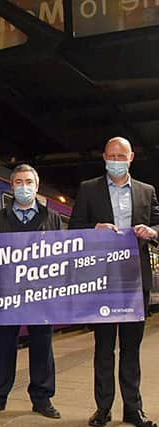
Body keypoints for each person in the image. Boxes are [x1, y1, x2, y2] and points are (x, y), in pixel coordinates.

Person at [69, 137, 159, 427]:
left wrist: (152, 232)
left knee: (131, 350)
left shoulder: (147, 191)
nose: (116, 160)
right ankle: (103, 409)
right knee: (103, 347)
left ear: (132, 157)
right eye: (111, 155)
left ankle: (133, 410)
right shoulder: (88, 189)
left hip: (134, 281)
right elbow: (73, 230)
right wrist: (93, 228)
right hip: (102, 281)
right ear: (104, 157)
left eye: (121, 156)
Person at [0, 164, 61, 419]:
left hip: (40, 293)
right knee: (2, 344)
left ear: (36, 186)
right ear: (12, 186)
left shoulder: (51, 217)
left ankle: (42, 399)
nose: (24, 187)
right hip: (7, 293)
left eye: (28, 182)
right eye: (18, 182)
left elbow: (59, 255)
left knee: (42, 345)